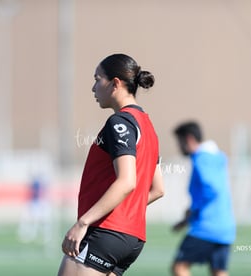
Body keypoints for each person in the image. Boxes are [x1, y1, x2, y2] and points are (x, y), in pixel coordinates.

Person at [57, 53, 164, 276]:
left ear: (115, 83)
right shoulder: (148, 127)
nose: (93, 88)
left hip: (106, 232)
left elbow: (127, 182)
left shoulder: (120, 122)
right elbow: (157, 189)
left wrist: (83, 222)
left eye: (98, 79)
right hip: (131, 239)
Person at [171, 121, 235, 276]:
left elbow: (211, 190)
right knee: (219, 271)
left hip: (206, 228)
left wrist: (193, 211)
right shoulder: (217, 157)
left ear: (189, 139)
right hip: (225, 228)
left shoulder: (201, 159)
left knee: (180, 267)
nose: (179, 147)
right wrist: (186, 220)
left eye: (179, 142)